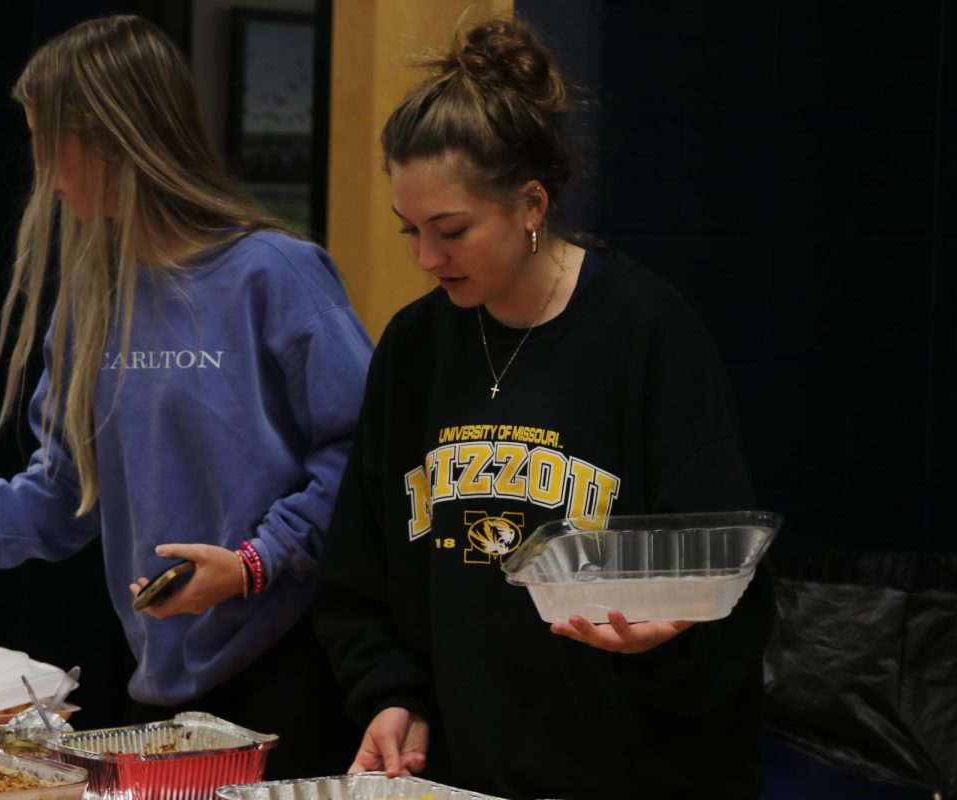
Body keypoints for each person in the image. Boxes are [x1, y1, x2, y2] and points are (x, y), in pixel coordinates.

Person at [312, 15, 773, 800]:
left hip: (633, 770)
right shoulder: (416, 346)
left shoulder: (647, 332)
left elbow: (726, 582)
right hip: (461, 773)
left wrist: (662, 642)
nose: (427, 258)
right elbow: (359, 571)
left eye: (451, 230)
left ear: (531, 204)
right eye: (410, 231)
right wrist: (393, 692)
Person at [0, 15, 370, 779]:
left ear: (113, 136)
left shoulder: (275, 273)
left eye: (49, 142)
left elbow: (361, 452)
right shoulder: (90, 299)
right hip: (160, 682)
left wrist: (255, 563)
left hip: (294, 666)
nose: (44, 170)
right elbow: (63, 494)